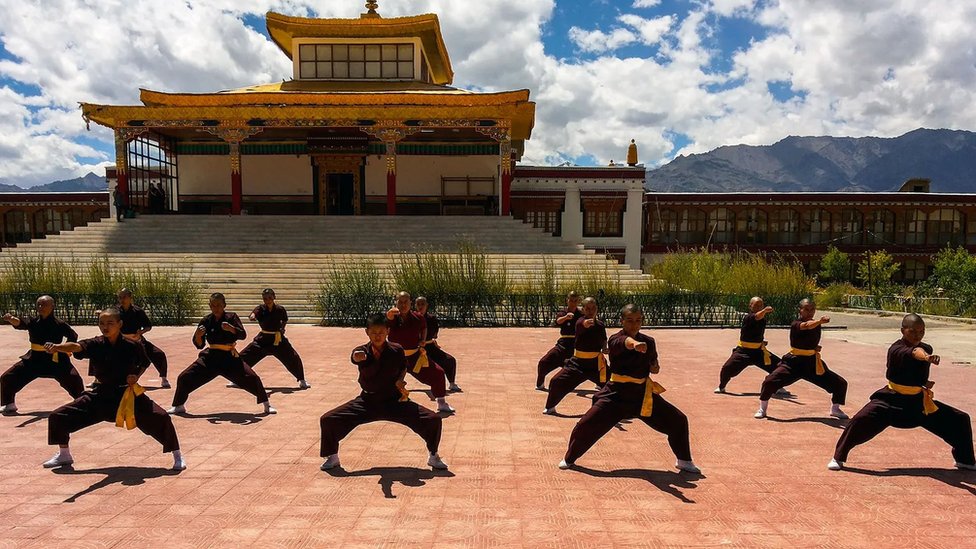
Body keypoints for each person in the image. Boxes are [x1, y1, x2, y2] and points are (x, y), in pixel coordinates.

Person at [560, 304, 700, 473]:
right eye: (630, 320)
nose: (634, 324)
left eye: (638, 320)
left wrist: (655, 367)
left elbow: (654, 365)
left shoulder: (649, 341)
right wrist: (635, 344)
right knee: (586, 425)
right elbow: (625, 342)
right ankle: (569, 458)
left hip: (642, 395)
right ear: (622, 321)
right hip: (616, 394)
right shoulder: (615, 339)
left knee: (678, 420)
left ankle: (684, 460)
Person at [41, 308, 185, 470]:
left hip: (127, 394)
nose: (105, 327)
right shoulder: (96, 344)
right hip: (101, 395)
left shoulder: (132, 345)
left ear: (119, 324)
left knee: (161, 417)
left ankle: (177, 454)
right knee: (58, 416)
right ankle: (64, 455)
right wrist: (58, 347)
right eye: (102, 323)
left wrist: (135, 376)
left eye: (110, 323)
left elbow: (144, 362)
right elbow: (76, 346)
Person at [829, 314, 975, 471]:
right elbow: (914, 353)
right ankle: (838, 457)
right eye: (913, 332)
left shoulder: (927, 348)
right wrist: (926, 357)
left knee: (960, 419)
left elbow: (914, 367)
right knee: (859, 421)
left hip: (919, 404)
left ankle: (965, 460)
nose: (918, 335)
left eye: (921, 331)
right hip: (891, 402)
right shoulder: (896, 349)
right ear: (903, 330)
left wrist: (923, 382)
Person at [319, 313, 447, 471]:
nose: (377, 336)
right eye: (373, 332)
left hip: (394, 400)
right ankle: (332, 457)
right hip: (367, 401)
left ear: (387, 331)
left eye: (381, 332)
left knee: (433, 419)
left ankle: (433, 455)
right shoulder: (362, 351)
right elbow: (355, 357)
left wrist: (401, 379)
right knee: (328, 419)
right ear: (367, 332)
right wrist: (356, 357)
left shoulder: (396, 349)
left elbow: (403, 367)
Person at [168, 293, 276, 415]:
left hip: (229, 357)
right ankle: (178, 405)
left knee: (252, 378)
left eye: (219, 305)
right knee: (184, 377)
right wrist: (198, 336)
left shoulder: (231, 317)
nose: (216, 308)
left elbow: (242, 335)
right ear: (210, 306)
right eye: (213, 305)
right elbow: (199, 344)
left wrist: (231, 329)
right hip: (211, 357)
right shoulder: (206, 320)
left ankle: (266, 404)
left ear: (224, 305)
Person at [754, 299, 848, 420]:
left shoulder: (816, 325)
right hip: (793, 362)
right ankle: (762, 408)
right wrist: (820, 321)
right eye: (806, 309)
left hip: (812, 363)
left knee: (840, 383)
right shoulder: (796, 323)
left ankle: (835, 409)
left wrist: (814, 347)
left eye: (812, 310)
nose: (810, 312)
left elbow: (810, 337)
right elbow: (806, 326)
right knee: (770, 381)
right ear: (800, 310)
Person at [1, 296, 85, 415]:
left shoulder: (59, 324)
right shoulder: (33, 321)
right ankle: (9, 404)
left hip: (55, 359)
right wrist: (11, 319)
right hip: (34, 359)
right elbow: (20, 322)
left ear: (52, 306)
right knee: (8, 377)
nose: (41, 307)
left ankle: (82, 403)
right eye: (39, 305)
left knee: (74, 379)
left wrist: (65, 350)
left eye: (44, 304)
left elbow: (73, 336)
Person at [386, 291, 454, 414]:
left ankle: (441, 402)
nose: (403, 305)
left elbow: (424, 327)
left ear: (410, 303)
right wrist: (389, 317)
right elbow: (384, 328)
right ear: (396, 303)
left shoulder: (418, 317)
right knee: (384, 378)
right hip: (395, 358)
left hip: (414, 356)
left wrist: (423, 339)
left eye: (405, 302)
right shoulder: (392, 317)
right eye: (400, 302)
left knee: (438, 373)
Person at [543, 296, 607, 415]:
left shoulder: (600, 325)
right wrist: (586, 323)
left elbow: (603, 339)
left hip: (596, 364)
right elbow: (582, 325)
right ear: (583, 309)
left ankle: (614, 410)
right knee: (556, 381)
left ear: (597, 309)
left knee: (613, 383)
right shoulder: (579, 322)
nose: (591, 311)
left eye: (593, 308)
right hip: (578, 363)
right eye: (587, 308)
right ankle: (550, 407)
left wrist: (604, 347)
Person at [237, 289, 310, 390]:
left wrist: (282, 328)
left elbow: (284, 320)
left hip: (277, 339)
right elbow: (254, 314)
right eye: (265, 298)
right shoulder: (260, 309)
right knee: (245, 355)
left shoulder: (280, 309)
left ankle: (302, 380)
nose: (268, 300)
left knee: (293, 357)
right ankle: (236, 378)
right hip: (263, 339)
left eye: (270, 298)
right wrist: (252, 316)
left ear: (274, 297)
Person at [715, 297, 788, 395]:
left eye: (761, 305)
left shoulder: (763, 319)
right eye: (756, 305)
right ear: (750, 306)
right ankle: (722, 386)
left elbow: (755, 332)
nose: (759, 307)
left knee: (779, 366)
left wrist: (761, 341)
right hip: (743, 351)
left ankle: (778, 386)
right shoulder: (748, 317)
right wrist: (765, 310)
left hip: (758, 351)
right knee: (727, 368)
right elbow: (757, 316)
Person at [114, 288, 170, 388]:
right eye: (120, 297)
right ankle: (98, 379)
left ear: (130, 298)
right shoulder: (115, 312)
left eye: (124, 297)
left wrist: (142, 332)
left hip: (137, 339)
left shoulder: (138, 311)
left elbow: (148, 326)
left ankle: (163, 378)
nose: (122, 300)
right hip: (121, 340)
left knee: (158, 354)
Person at [536, 291, 582, 390]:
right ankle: (540, 384)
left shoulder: (581, 314)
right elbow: (558, 321)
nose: (573, 303)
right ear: (567, 300)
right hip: (563, 343)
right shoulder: (563, 312)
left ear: (578, 301)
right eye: (571, 300)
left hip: (576, 345)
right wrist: (566, 317)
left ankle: (602, 384)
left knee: (589, 366)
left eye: (575, 301)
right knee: (544, 362)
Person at [415, 296, 460, 392]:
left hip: (430, 346)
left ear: (427, 305)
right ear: (415, 305)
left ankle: (452, 383)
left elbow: (434, 334)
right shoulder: (412, 318)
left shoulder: (432, 318)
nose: (420, 307)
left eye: (422, 304)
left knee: (450, 360)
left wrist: (430, 341)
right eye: (418, 304)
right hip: (416, 348)